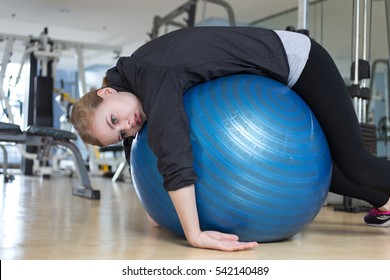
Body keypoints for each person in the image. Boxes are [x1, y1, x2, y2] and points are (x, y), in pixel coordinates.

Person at [70, 26, 390, 252]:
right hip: (269, 79)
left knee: (357, 164)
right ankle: (385, 201)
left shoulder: (150, 74)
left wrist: (193, 233)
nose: (128, 125)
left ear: (107, 92)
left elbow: (174, 145)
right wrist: (152, 203)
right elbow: (132, 145)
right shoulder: (128, 86)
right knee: (312, 170)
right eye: (119, 131)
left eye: (115, 119)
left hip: (298, 62)